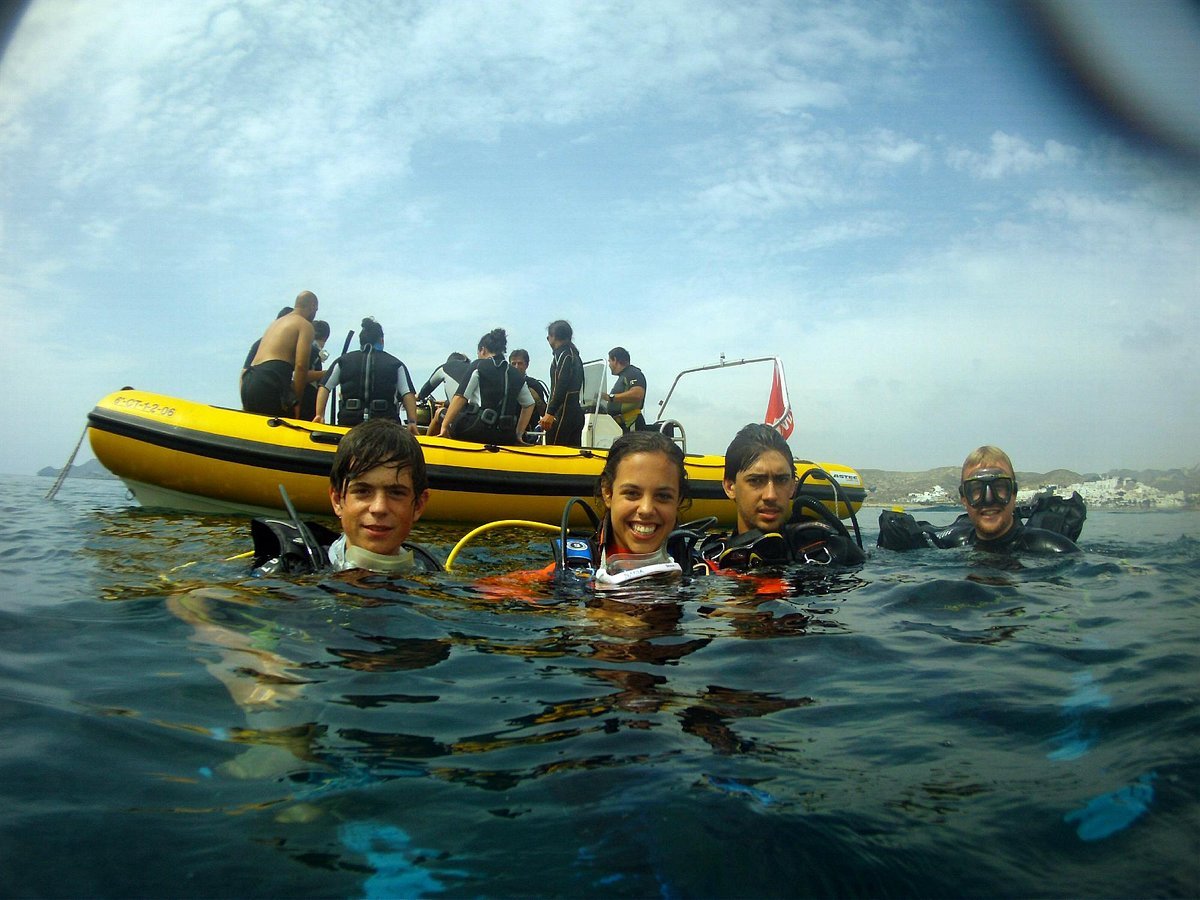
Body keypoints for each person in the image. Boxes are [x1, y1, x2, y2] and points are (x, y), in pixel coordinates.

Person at [250, 418, 440, 574]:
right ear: (337, 500)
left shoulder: (428, 569)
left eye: (396, 493)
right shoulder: (292, 573)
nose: (379, 507)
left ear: (418, 505)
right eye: (363, 491)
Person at [697, 424, 865, 571]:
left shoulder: (831, 551)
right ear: (730, 487)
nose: (771, 495)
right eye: (755, 480)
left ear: (792, 486)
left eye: (781, 480)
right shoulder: (709, 557)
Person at [876, 446, 1082, 553]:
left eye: (999, 488)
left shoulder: (1053, 549)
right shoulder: (953, 542)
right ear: (964, 499)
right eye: (976, 491)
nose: (988, 499)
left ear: (1014, 494)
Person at [313, 317, 419, 434]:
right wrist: (412, 421)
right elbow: (408, 393)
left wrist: (319, 414)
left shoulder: (343, 361)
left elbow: (325, 387)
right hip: (386, 426)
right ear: (381, 340)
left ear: (361, 341)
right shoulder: (395, 364)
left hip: (349, 423)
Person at [439, 328, 536, 445]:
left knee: (439, 413)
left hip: (476, 430)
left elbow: (460, 397)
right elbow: (529, 404)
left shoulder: (478, 366)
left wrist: (444, 425)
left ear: (483, 350)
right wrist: (519, 434)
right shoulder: (517, 374)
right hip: (506, 436)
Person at [241, 291, 319, 417]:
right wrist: (296, 402)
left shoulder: (276, 324)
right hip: (271, 379)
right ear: (313, 306)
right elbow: (301, 366)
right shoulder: (305, 325)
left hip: (250, 379)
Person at [539, 319, 585, 446]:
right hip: (575, 412)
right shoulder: (574, 355)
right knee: (572, 456)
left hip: (563, 413)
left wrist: (550, 413)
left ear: (553, 336)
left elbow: (561, 384)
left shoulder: (564, 355)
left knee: (555, 454)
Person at [600, 346, 647, 431]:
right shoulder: (624, 376)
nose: (609, 365)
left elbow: (638, 394)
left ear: (615, 360)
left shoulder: (632, 373)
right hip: (621, 425)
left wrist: (610, 397)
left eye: (610, 361)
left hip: (631, 425)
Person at [298, 319, 331, 421]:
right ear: (325, 337)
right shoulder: (313, 350)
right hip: (306, 401)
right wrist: (326, 374)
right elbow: (301, 375)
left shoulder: (303, 347)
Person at [508, 348, 549, 424]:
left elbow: (544, 413)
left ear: (526, 365)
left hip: (530, 429)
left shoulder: (534, 384)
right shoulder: (505, 384)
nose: (516, 367)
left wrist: (537, 399)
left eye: (520, 363)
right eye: (513, 364)